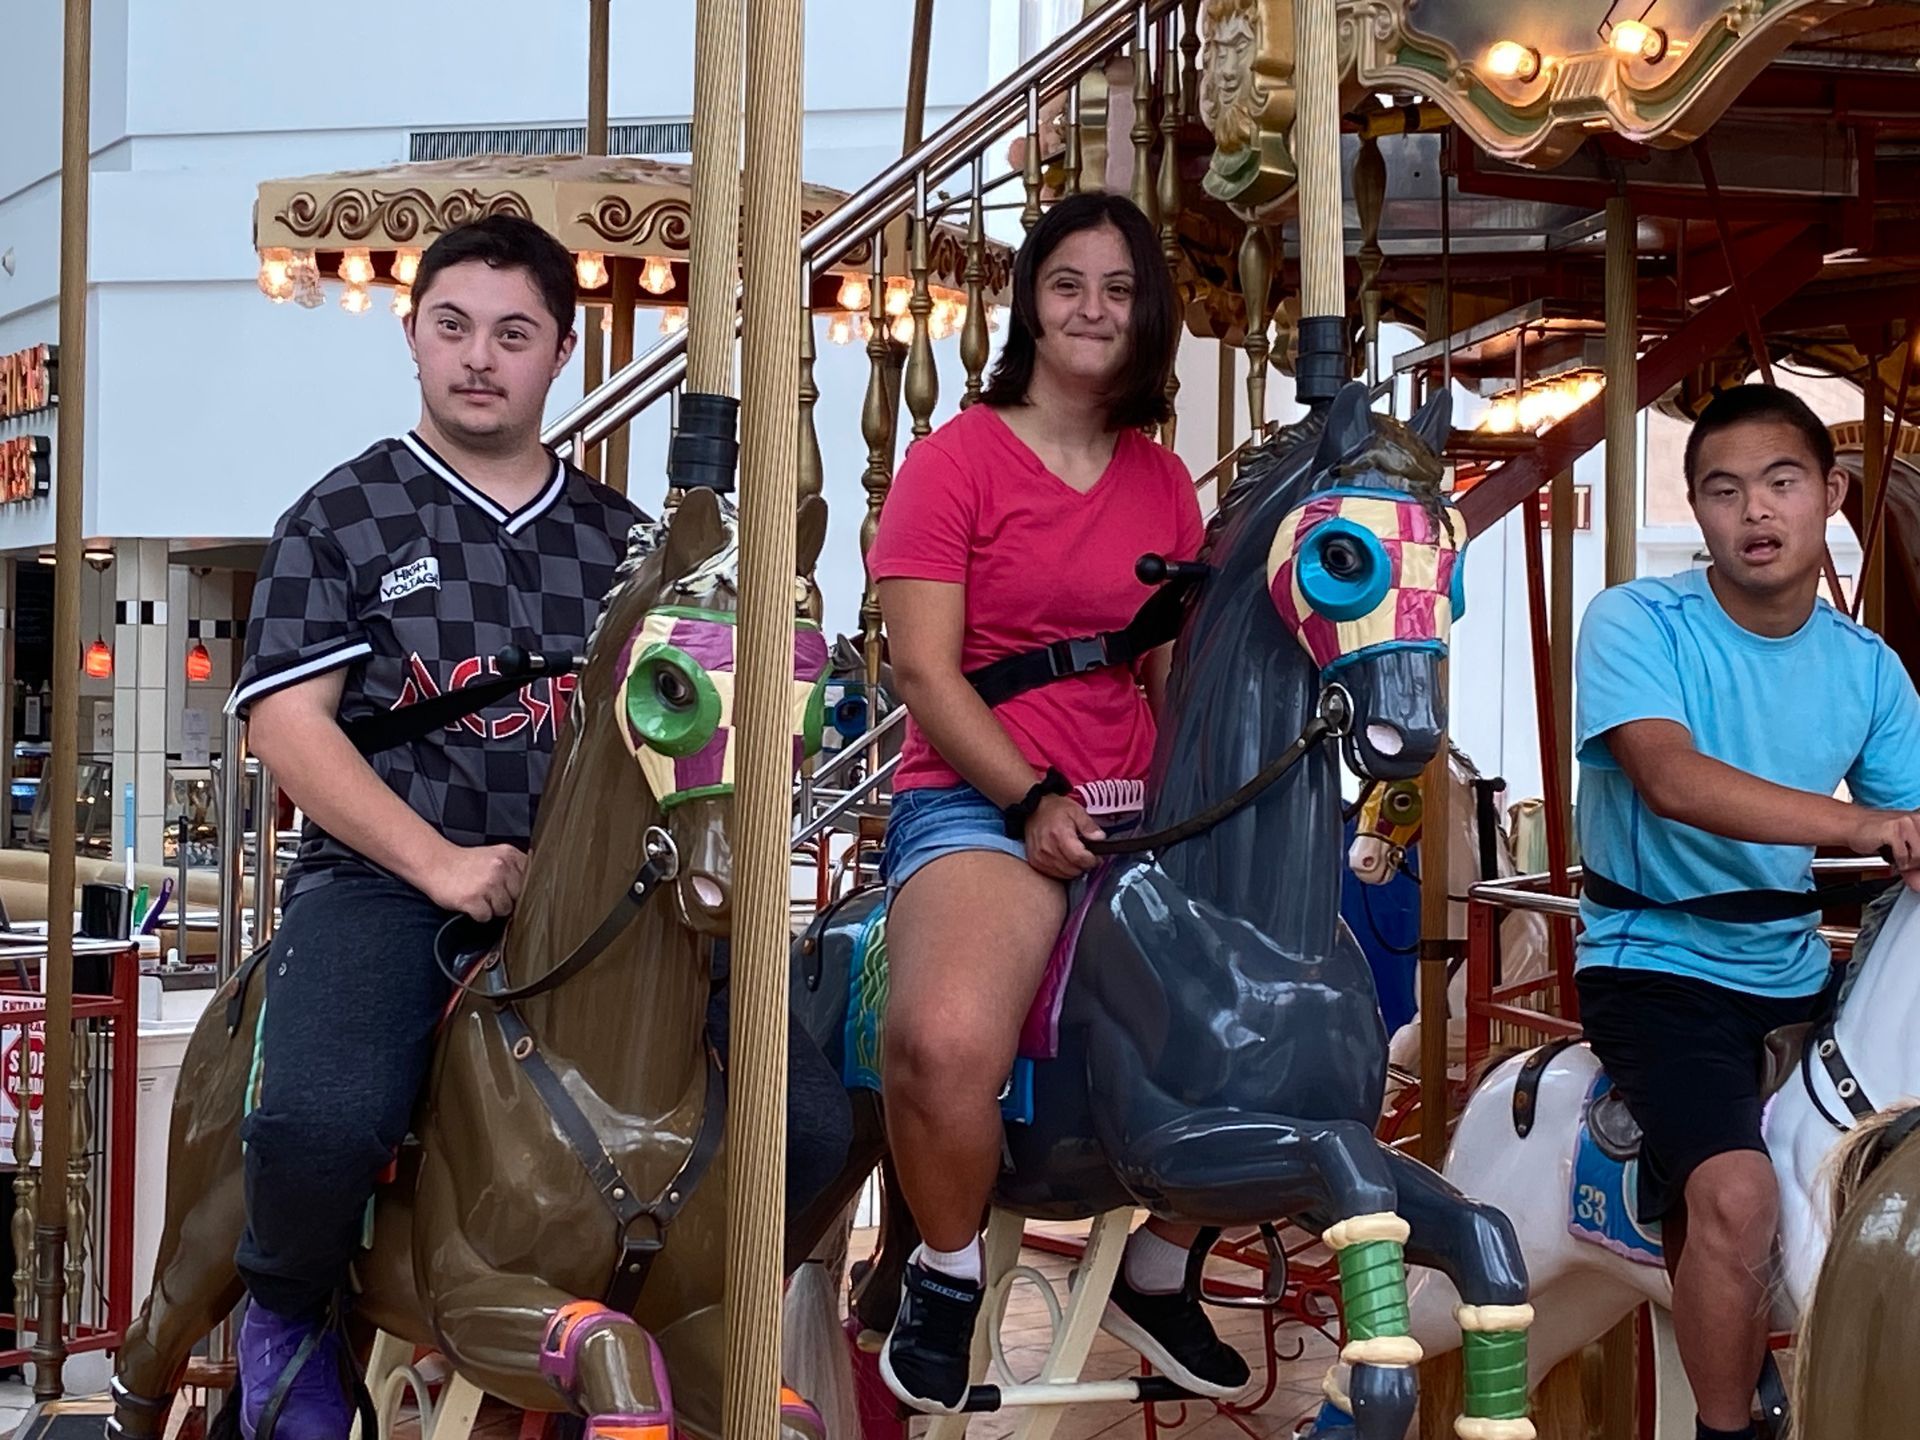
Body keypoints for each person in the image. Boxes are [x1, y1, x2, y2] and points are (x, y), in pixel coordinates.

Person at [228, 215, 648, 1439]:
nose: (479, 357)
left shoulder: (620, 541)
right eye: (454, 327)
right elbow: (289, 730)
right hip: (387, 878)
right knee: (321, 1116)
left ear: (561, 353)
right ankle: (286, 1311)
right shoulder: (345, 515)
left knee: (800, 1103)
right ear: (413, 336)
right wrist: (441, 863)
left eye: (514, 334)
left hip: (589, 899)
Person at [866, 191, 1250, 1413]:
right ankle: (944, 1269)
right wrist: (1031, 795)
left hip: (1140, 805)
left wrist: (1211, 806)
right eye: (1068, 283)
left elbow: (1170, 673)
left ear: (1148, 318)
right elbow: (926, 672)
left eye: (1119, 289)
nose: (1093, 309)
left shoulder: (1163, 483)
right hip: (985, 800)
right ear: (1030, 303)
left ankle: (1159, 1264)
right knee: (943, 1041)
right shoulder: (954, 463)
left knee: (1291, 1018)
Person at [1573, 383, 1920, 1440]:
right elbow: (1670, 779)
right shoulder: (1636, 622)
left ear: (1832, 495)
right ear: (1699, 510)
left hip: (1793, 965)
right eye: (1724, 491)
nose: (1755, 511)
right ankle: (1726, 1429)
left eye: (1781, 482)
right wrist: (1864, 827)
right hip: (1656, 964)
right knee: (1737, 1196)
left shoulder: (1868, 669)